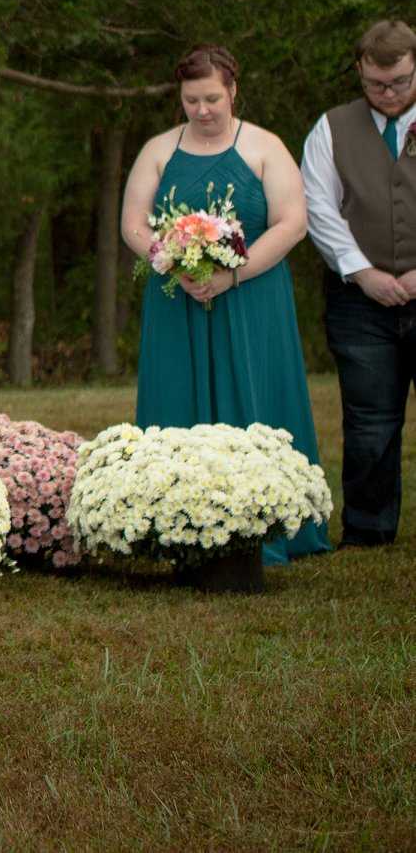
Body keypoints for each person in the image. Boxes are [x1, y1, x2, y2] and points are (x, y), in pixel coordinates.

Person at [123, 43, 330, 564]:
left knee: (256, 395)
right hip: (178, 300)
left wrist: (231, 275)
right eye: (191, 100)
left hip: (252, 298)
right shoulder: (158, 150)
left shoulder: (265, 147)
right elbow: (132, 223)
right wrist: (174, 261)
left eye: (212, 98)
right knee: (177, 398)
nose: (202, 110)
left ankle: (271, 525)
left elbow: (291, 223)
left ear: (233, 90)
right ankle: (175, 524)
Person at [301, 18, 416, 547]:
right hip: (358, 301)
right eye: (375, 84)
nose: (388, 95)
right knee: (369, 420)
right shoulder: (331, 128)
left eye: (400, 83)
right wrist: (362, 272)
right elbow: (319, 208)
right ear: (360, 73)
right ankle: (369, 529)